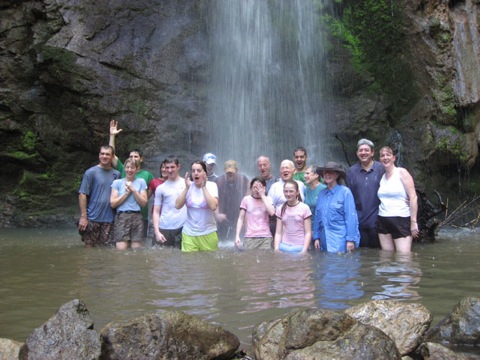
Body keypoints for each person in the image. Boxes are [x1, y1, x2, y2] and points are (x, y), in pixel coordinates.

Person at [109, 120, 154, 234]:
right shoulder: (123, 171)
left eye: (136, 156)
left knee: (138, 247)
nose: (133, 158)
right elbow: (112, 155)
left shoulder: (147, 175)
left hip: (141, 216)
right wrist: (112, 136)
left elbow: (151, 192)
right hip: (123, 215)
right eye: (131, 156)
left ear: (141, 159)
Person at [377, 146, 419, 252]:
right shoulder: (382, 177)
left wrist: (413, 222)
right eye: (382, 155)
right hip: (383, 218)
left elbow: (413, 197)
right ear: (380, 159)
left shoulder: (401, 172)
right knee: (386, 257)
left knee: (403, 257)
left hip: (401, 218)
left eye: (388, 155)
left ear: (394, 158)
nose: (385, 157)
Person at [78, 145, 120, 247]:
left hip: (110, 220)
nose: (104, 156)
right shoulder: (90, 173)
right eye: (102, 154)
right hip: (93, 218)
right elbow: (82, 194)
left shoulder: (117, 174)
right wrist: (83, 217)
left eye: (107, 154)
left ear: (112, 156)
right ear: (99, 155)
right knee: (89, 249)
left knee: (107, 251)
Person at [313, 161, 360, 253]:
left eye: (330, 172)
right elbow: (317, 216)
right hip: (324, 241)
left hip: (340, 240)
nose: (327, 175)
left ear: (337, 175)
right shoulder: (321, 194)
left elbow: (351, 217)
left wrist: (350, 239)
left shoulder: (345, 192)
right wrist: (316, 237)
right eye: (325, 172)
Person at [346, 138, 385, 248]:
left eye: (366, 150)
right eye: (360, 150)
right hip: (359, 221)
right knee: (363, 255)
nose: (363, 153)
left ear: (372, 152)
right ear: (357, 153)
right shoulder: (352, 171)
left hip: (378, 221)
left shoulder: (381, 169)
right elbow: (349, 197)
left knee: (379, 254)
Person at [175, 160, 219, 252]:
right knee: (189, 263)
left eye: (199, 171)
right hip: (189, 233)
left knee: (208, 263)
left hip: (208, 232)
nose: (196, 173)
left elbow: (213, 206)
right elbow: (177, 205)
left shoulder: (212, 186)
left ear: (204, 173)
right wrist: (186, 188)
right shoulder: (187, 186)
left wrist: (204, 187)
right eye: (193, 170)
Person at [110, 158, 148, 250]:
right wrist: (126, 193)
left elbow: (144, 203)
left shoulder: (141, 182)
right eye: (127, 167)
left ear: (137, 169)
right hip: (122, 216)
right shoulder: (117, 183)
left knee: (136, 250)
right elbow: (113, 203)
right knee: (121, 249)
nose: (129, 170)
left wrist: (133, 190)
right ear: (124, 168)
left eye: (132, 167)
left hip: (137, 216)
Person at [152, 157, 187, 248]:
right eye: (167, 167)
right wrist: (157, 232)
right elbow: (156, 211)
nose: (169, 170)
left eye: (172, 167)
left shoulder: (187, 184)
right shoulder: (161, 188)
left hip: (182, 227)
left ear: (178, 166)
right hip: (164, 227)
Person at [235, 177, 275, 250]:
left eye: (259, 187)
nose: (257, 190)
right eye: (254, 187)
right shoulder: (246, 199)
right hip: (250, 236)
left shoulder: (268, 199)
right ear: (251, 188)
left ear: (264, 188)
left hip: (265, 236)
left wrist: (262, 195)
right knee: (249, 258)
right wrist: (237, 235)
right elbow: (240, 219)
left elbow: (272, 213)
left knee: (265, 259)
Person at [215, 160, 250, 241]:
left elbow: (249, 199)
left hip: (239, 216)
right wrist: (217, 215)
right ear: (224, 171)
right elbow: (214, 199)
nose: (230, 174)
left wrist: (245, 217)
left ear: (237, 170)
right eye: (228, 173)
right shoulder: (218, 181)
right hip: (223, 217)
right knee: (223, 243)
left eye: (232, 172)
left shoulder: (244, 180)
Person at [274, 180, 312, 254]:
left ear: (297, 192)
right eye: (286, 191)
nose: (288, 194)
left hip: (299, 247)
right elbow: (278, 232)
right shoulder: (280, 209)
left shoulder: (304, 208)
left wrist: (304, 250)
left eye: (291, 191)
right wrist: (276, 249)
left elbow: (308, 232)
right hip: (284, 246)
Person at [304, 165, 327, 232]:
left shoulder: (323, 189)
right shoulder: (306, 190)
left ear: (316, 175)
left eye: (307, 173)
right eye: (305, 173)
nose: (305, 176)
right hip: (308, 226)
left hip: (321, 227)